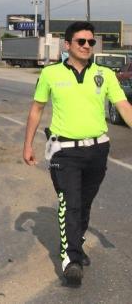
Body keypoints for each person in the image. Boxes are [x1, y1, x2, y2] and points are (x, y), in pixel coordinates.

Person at [23, 21, 132, 287]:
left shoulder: (105, 74)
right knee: (69, 203)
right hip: (64, 152)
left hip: (98, 150)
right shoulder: (50, 74)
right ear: (68, 44)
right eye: (81, 41)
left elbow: (124, 106)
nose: (86, 46)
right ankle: (70, 259)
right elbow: (37, 109)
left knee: (83, 204)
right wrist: (27, 145)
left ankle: (76, 244)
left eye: (90, 42)